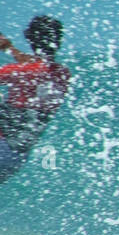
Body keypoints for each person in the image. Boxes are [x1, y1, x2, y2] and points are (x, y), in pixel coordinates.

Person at [0, 16, 71, 180]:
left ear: (29, 38)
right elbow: (37, 66)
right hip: (15, 158)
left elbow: (29, 68)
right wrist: (9, 48)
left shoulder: (17, 72)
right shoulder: (62, 74)